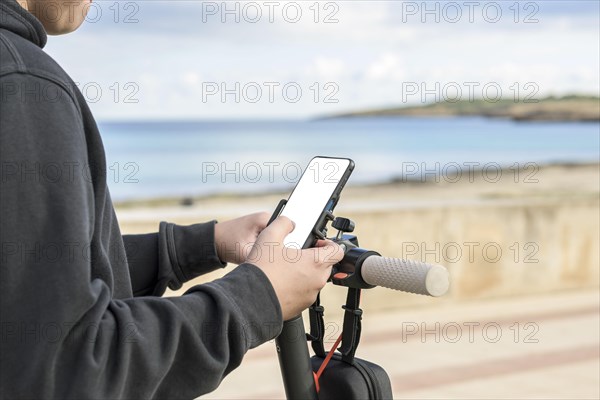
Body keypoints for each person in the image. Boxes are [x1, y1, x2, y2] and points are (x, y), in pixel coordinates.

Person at [0, 0, 344, 398]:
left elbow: (28, 277)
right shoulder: (23, 81)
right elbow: (67, 366)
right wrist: (258, 297)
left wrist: (201, 245)